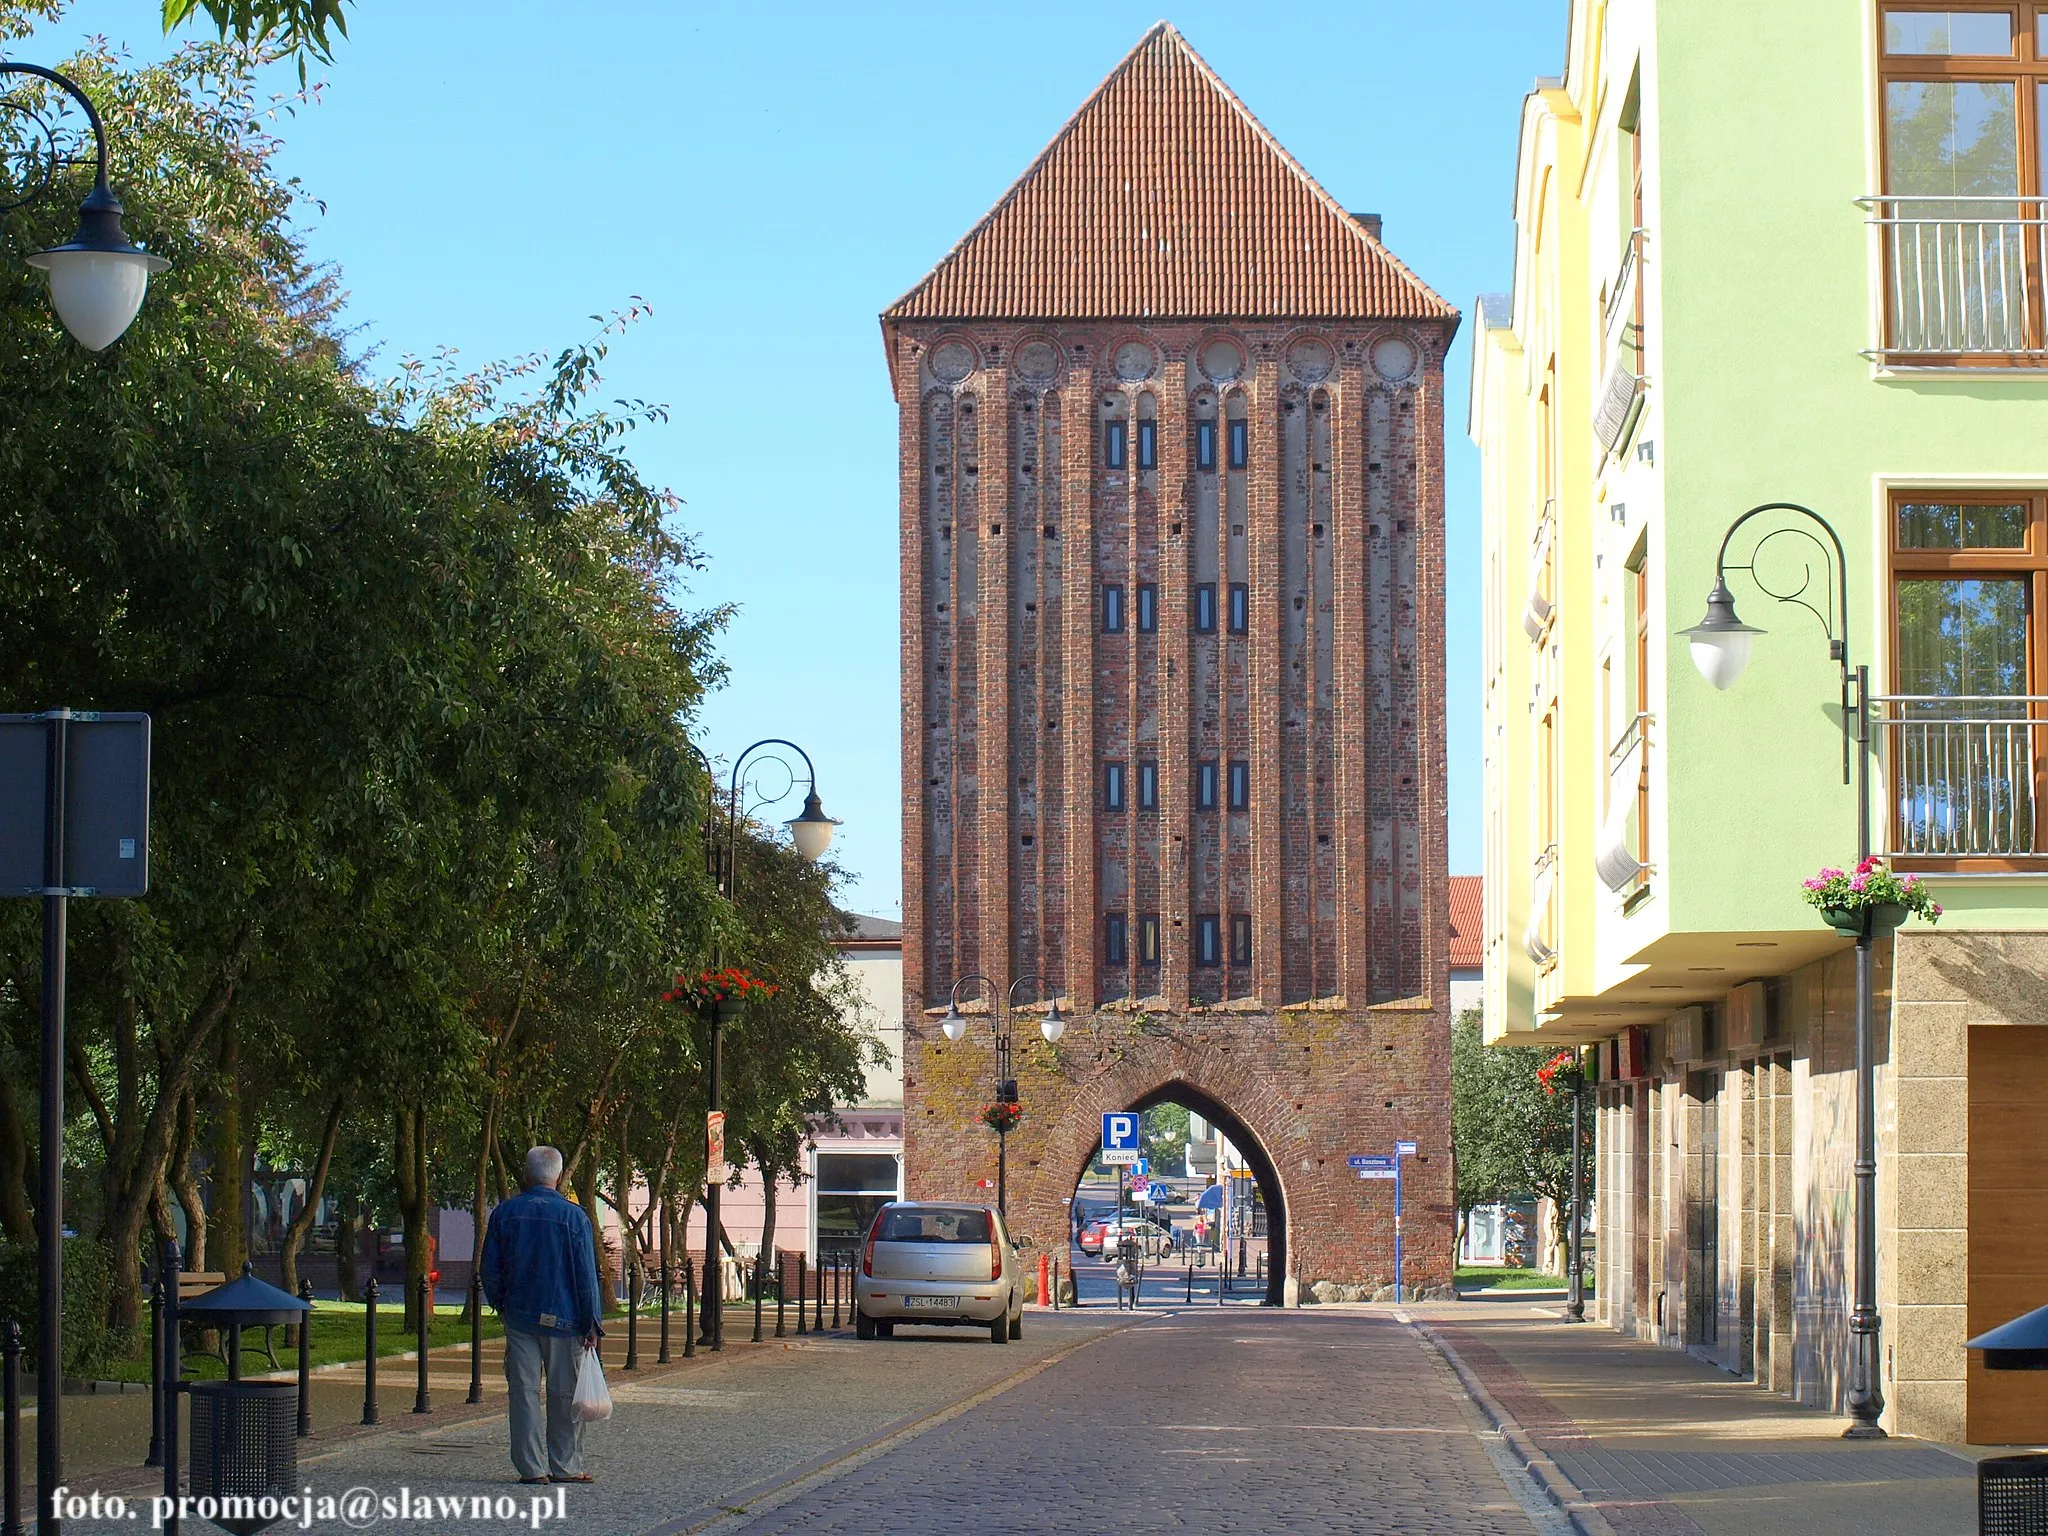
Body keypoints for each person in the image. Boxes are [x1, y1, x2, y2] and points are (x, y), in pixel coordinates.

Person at [480, 1146, 604, 1485]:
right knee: (564, 1394)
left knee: (524, 1392)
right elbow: (585, 1275)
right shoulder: (575, 1216)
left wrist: (502, 1303)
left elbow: (489, 1270)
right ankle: (565, 1466)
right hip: (565, 1319)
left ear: (526, 1174)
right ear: (559, 1176)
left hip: (520, 1317)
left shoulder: (505, 1213)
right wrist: (591, 1321)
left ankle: (531, 1469)